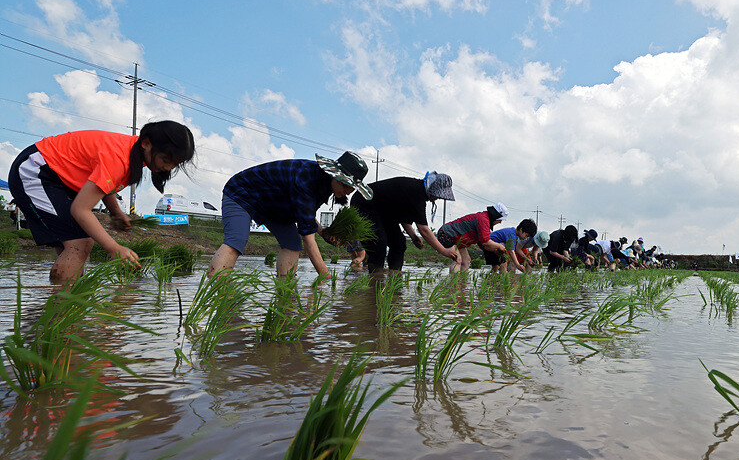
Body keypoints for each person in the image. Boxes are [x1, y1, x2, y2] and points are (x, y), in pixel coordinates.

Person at [7, 122, 195, 283]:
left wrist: (115, 212)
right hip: (35, 170)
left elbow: (103, 184)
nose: (168, 167)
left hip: (56, 178)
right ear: (146, 143)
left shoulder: (132, 154)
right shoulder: (119, 158)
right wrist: (114, 248)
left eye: (175, 164)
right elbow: (81, 210)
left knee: (72, 244)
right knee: (80, 242)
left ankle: (66, 311)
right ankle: (61, 308)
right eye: (165, 159)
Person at [208, 152, 371, 278]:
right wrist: (326, 277)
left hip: (272, 206)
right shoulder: (307, 179)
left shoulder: (325, 185)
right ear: (334, 175)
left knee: (292, 244)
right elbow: (308, 239)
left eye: (351, 189)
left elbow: (305, 215)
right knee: (236, 240)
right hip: (242, 193)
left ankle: (285, 291)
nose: (347, 192)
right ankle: (217, 294)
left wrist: (323, 233)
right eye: (345, 186)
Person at [348, 171, 459, 272]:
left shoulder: (416, 194)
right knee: (379, 243)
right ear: (432, 188)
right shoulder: (417, 193)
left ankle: (395, 276)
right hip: (364, 203)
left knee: (399, 243)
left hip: (383, 213)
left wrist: (413, 236)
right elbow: (424, 230)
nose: (438, 198)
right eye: (438, 195)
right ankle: (375, 279)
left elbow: (404, 218)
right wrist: (443, 251)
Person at [436, 203, 508, 273]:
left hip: (457, 239)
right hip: (447, 234)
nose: (500, 222)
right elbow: (486, 241)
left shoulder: (485, 221)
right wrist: (500, 246)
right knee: (457, 260)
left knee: (466, 260)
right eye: (500, 219)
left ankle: (462, 283)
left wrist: (495, 250)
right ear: (495, 216)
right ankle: (454, 284)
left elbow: (483, 244)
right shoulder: (483, 219)